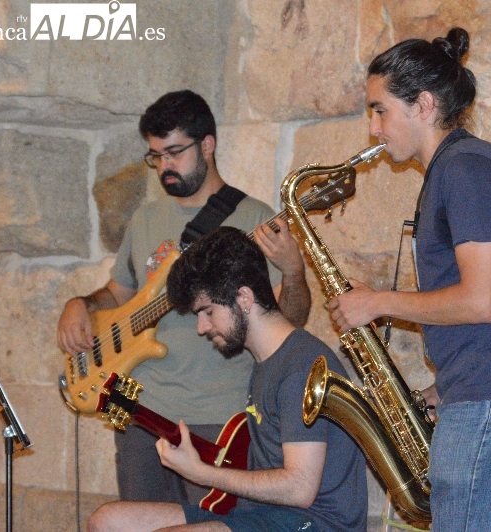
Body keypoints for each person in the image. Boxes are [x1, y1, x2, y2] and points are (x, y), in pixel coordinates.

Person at [328, 28, 491, 531]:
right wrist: (446, 386)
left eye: (379, 110)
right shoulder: (457, 168)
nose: (373, 128)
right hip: (490, 393)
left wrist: (377, 303)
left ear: (422, 104)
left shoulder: (465, 169)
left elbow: (481, 300)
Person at [57, 90, 311, 507]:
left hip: (219, 417)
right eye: (155, 156)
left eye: (174, 152)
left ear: (207, 145)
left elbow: (291, 321)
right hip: (141, 413)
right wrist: (80, 304)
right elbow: (117, 293)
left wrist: (294, 271)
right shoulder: (146, 218)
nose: (164, 166)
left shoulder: (254, 219)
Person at [87, 226, 368, 532]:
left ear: (244, 298)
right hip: (259, 515)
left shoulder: (301, 365)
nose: (201, 327)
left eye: (207, 311)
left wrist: (202, 473)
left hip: (314, 523)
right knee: (107, 521)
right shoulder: (264, 363)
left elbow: (300, 489)